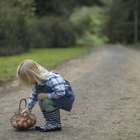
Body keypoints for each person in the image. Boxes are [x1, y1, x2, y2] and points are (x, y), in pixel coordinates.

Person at [17, 59, 75, 132]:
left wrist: (47, 95)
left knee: (46, 101)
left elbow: (61, 92)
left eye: (27, 80)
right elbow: (34, 95)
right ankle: (49, 122)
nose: (28, 82)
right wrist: (28, 108)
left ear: (33, 74)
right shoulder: (37, 82)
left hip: (65, 98)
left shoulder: (51, 78)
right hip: (55, 96)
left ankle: (55, 124)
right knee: (41, 100)